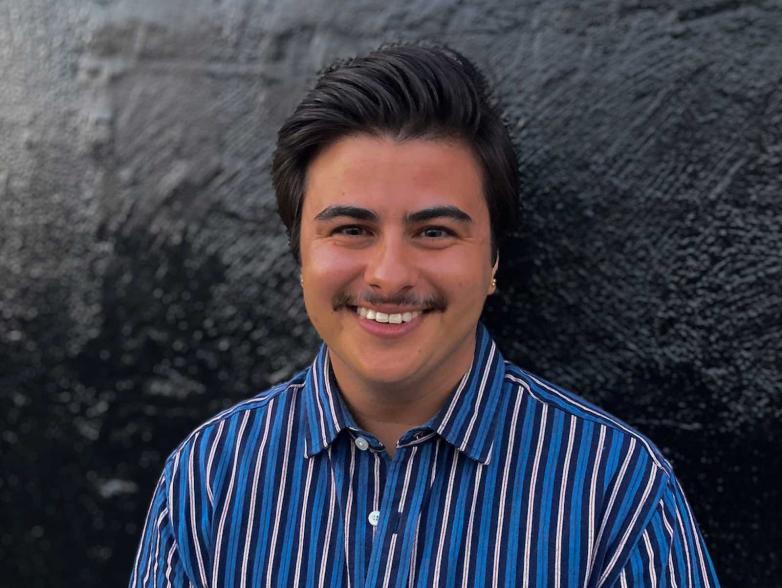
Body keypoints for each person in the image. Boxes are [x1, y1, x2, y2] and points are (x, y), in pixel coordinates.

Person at [130, 43, 719, 587]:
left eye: (434, 231)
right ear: (300, 255)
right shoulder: (209, 480)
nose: (389, 276)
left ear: (493, 260)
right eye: (351, 229)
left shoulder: (614, 492)